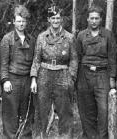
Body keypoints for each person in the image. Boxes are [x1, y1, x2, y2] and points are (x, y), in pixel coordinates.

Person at [30, 4, 78, 139]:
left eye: (58, 18)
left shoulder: (69, 37)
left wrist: (71, 78)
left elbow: (74, 59)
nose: (55, 21)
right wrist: (34, 79)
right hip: (44, 75)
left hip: (63, 76)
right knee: (41, 111)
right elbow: (36, 59)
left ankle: (65, 136)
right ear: (49, 20)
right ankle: (41, 136)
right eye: (53, 18)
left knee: (65, 112)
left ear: (61, 19)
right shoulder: (41, 37)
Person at [76, 5, 117, 139]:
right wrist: (76, 78)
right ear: (87, 19)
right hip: (85, 74)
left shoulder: (107, 35)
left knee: (103, 109)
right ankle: (89, 135)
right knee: (87, 110)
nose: (94, 21)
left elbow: (112, 57)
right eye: (91, 18)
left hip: (102, 75)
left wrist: (112, 78)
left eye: (97, 18)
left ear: (100, 20)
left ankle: (102, 136)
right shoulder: (81, 35)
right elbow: (77, 56)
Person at [0, 5, 35, 139]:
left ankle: (25, 137)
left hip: (27, 80)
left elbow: (34, 62)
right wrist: (5, 80)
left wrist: (33, 79)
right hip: (12, 80)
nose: (21, 24)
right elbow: (3, 63)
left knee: (27, 113)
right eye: (19, 21)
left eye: (24, 21)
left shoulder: (31, 40)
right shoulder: (7, 39)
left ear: (26, 22)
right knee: (10, 113)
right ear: (14, 21)